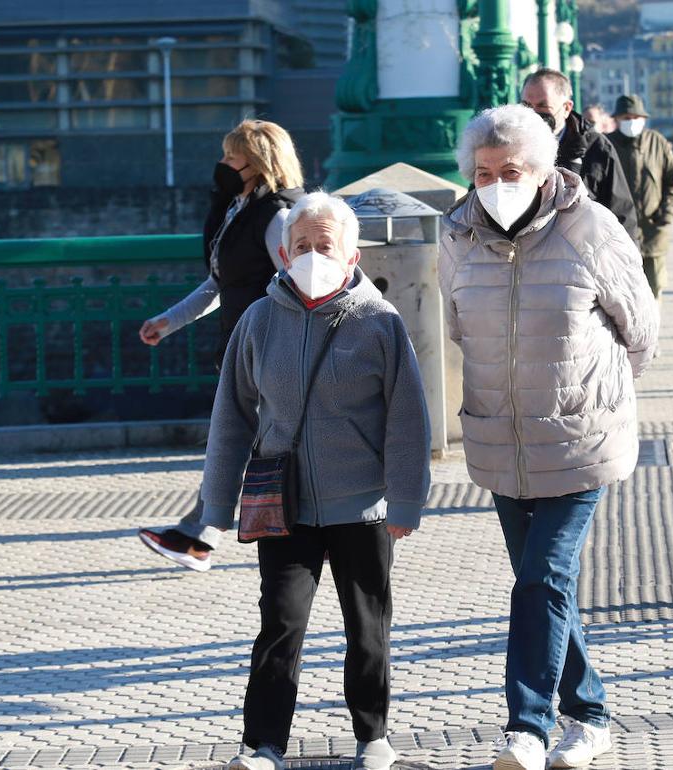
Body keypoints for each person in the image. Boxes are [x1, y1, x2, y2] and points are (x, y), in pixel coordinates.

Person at [439, 104, 660, 770]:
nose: (496, 181)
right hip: (502, 439)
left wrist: (597, 394)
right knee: (546, 588)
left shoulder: (589, 227)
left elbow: (641, 328)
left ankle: (528, 729)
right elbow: (455, 322)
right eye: (484, 171)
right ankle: (590, 717)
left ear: (540, 172)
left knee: (540, 580)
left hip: (579, 437)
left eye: (511, 170)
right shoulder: (458, 235)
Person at [199, 192, 432, 770]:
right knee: (280, 623)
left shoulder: (380, 321)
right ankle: (263, 744)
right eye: (300, 245)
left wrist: (406, 498)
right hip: (286, 505)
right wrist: (214, 505)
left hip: (364, 506)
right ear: (283, 252)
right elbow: (232, 416)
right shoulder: (258, 319)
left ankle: (372, 736)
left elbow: (408, 419)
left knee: (368, 624)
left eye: (323, 245)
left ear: (352, 254)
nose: (311, 254)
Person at [135, 120, 305, 572]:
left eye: (232, 157)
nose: (224, 165)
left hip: (268, 346)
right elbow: (220, 282)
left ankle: (200, 536)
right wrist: (168, 321)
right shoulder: (241, 209)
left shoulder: (277, 216)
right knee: (246, 443)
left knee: (235, 442)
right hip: (242, 344)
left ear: (259, 161)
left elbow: (297, 282)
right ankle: (200, 536)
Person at [520, 68, 639, 242]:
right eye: (527, 106)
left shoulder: (596, 147)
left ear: (567, 108)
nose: (534, 114)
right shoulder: (507, 143)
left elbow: (621, 213)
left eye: (543, 106)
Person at [606, 93, 673, 301]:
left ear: (643, 119)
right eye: (625, 118)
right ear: (617, 119)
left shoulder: (656, 142)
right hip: (618, 234)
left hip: (653, 233)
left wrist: (666, 214)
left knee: (654, 288)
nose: (630, 122)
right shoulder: (607, 144)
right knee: (621, 293)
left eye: (635, 117)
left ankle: (652, 333)